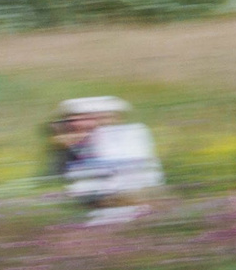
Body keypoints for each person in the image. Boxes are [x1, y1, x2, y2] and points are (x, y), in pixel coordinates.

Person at [51, 96, 161, 224]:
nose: (102, 121)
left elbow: (141, 167)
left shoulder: (132, 133)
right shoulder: (78, 141)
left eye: (107, 116)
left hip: (126, 192)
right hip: (102, 197)